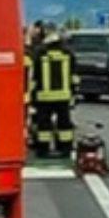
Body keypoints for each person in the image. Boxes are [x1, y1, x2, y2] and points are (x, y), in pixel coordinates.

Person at [31, 26, 78, 157]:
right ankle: (65, 149)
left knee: (44, 124)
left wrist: (32, 95)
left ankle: (43, 150)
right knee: (64, 123)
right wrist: (74, 93)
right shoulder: (68, 52)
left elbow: (34, 76)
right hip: (63, 96)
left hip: (43, 96)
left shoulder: (40, 52)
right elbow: (74, 77)